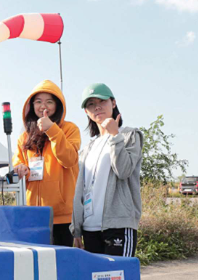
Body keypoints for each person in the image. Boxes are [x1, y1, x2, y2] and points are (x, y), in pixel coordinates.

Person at [70, 83, 143, 256]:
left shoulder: (129, 135)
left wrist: (115, 136)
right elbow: (81, 190)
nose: (97, 107)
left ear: (113, 103)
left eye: (102, 101)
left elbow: (124, 171)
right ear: (86, 112)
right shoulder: (88, 148)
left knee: (119, 279)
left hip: (118, 225)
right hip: (90, 228)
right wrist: (77, 228)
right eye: (90, 104)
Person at [13, 80, 81, 246]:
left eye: (49, 101)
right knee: (39, 265)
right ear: (31, 106)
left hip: (62, 216)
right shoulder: (24, 137)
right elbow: (18, 164)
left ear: (58, 106)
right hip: (33, 215)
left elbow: (68, 159)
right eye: (38, 101)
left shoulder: (69, 129)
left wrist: (52, 129)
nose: (44, 106)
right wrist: (20, 168)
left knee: (62, 264)